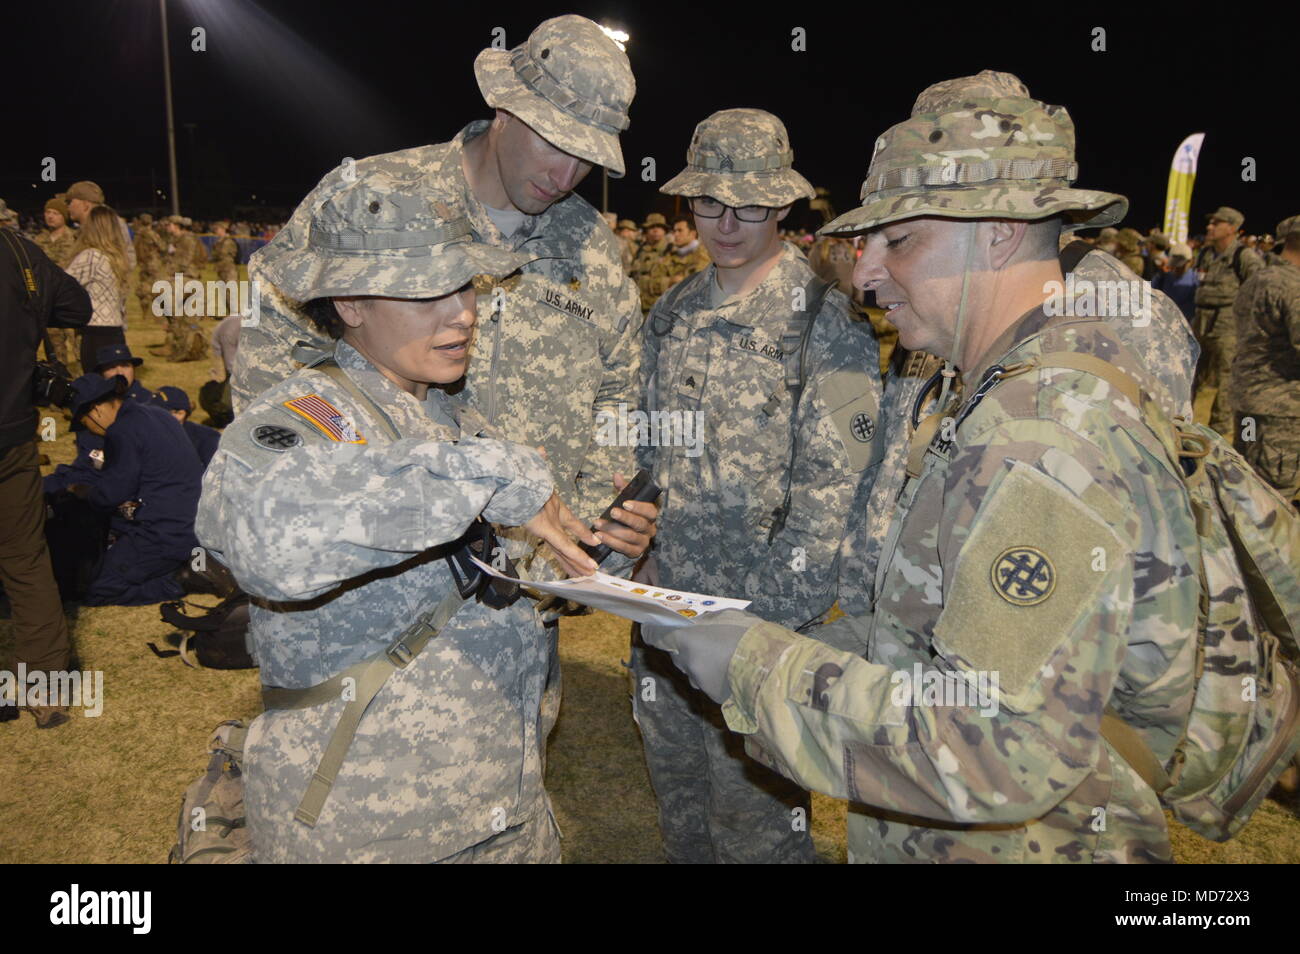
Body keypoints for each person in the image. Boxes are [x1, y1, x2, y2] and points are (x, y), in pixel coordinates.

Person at [640, 70, 1203, 864]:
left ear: (999, 231)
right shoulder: (990, 372)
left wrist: (758, 659)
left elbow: (996, 744)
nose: (865, 277)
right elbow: (942, 635)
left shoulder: (1050, 423)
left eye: (900, 242)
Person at [231, 15, 658, 754]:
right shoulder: (375, 196)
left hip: (520, 602)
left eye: (585, 158)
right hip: (375, 599)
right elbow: (271, 368)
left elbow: (617, 399)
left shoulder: (591, 247)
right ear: (503, 107)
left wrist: (587, 530)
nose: (564, 176)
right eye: (553, 141)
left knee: (500, 799)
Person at [197, 167, 610, 863]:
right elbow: (262, 539)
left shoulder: (451, 415)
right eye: (426, 292)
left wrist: (593, 550)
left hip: (497, 807)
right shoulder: (308, 417)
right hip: (372, 828)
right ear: (351, 302)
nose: (462, 312)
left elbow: (491, 572)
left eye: (466, 285)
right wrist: (493, 474)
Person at [634, 107, 882, 863]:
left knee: (758, 822)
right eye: (710, 203)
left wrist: (767, 623)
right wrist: (638, 558)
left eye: (750, 206)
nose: (728, 223)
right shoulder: (673, 310)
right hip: (667, 607)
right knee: (679, 802)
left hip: (760, 617)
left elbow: (833, 490)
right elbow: (650, 446)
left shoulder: (824, 322)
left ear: (782, 205)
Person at [0, 224, 91, 727]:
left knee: (23, 556)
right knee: (24, 559)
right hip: (12, 432)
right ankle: (46, 690)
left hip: (13, 432)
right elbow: (77, 306)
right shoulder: (19, 251)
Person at [63, 372, 203, 607]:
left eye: (84, 423)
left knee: (95, 588)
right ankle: (183, 566)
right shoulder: (158, 414)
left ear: (96, 410)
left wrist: (84, 493)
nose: (89, 431)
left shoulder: (122, 430)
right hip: (194, 523)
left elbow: (111, 494)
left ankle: (182, 581)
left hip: (163, 533)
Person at [1231, 214, 1300, 500]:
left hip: (1249, 403)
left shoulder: (1258, 279)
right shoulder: (1293, 286)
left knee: (1244, 490)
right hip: (1280, 413)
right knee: (1274, 501)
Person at [1194, 206, 1263, 436]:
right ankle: (1183, 419)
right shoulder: (1205, 254)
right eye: (1210, 222)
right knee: (1193, 373)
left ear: (1231, 228)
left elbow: (1258, 289)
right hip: (1201, 323)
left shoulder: (1243, 256)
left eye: (1216, 223)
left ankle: (1218, 430)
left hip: (1227, 326)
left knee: (1225, 378)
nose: (1209, 227)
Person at [66, 205, 130, 374]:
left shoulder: (91, 256)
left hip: (96, 332)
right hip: (116, 330)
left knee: (96, 389)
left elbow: (65, 286)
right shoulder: (119, 258)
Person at [34, 197, 80, 371]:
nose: (50, 216)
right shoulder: (39, 240)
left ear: (64, 217)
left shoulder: (75, 238)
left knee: (78, 348)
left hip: (70, 300)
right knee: (54, 351)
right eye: (48, 212)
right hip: (49, 302)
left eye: (55, 213)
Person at [157, 215, 207, 361]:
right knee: (184, 318)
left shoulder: (187, 239)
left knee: (175, 311)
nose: (167, 227)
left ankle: (184, 346)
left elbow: (183, 262)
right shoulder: (178, 240)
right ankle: (176, 345)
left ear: (176, 225)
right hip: (184, 279)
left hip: (187, 278)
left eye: (169, 224)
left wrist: (170, 274)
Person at [59, 181, 136, 270]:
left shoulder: (107, 222)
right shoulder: (89, 225)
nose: (68, 207)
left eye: (69, 202)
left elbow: (126, 258)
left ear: (85, 205)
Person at [152, 385, 220, 467]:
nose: (149, 416)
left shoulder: (206, 439)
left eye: (156, 413)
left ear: (180, 414)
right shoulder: (144, 435)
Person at [631, 212, 673, 312]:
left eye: (659, 227)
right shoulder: (639, 252)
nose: (655, 230)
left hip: (662, 309)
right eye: (651, 227)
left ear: (665, 231)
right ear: (646, 231)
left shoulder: (672, 251)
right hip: (639, 307)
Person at [1153, 242, 1198, 323]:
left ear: (1190, 261)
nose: (1176, 268)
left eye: (1180, 265)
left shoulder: (1195, 282)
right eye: (1174, 265)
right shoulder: (1164, 277)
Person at [133, 213, 167, 319]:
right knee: (158, 287)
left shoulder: (137, 234)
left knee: (144, 288)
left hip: (142, 264)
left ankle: (145, 313)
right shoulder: (151, 234)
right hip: (153, 263)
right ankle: (158, 313)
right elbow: (162, 247)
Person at [665, 214, 709, 286]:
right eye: (674, 231)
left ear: (692, 233)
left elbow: (697, 285)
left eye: (680, 230)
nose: (675, 234)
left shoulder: (704, 255)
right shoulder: (671, 254)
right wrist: (670, 281)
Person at [211, 220, 239, 286]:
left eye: (217, 229)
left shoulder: (227, 241)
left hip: (229, 271)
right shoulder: (219, 241)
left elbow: (221, 254)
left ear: (223, 229)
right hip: (222, 270)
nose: (215, 231)